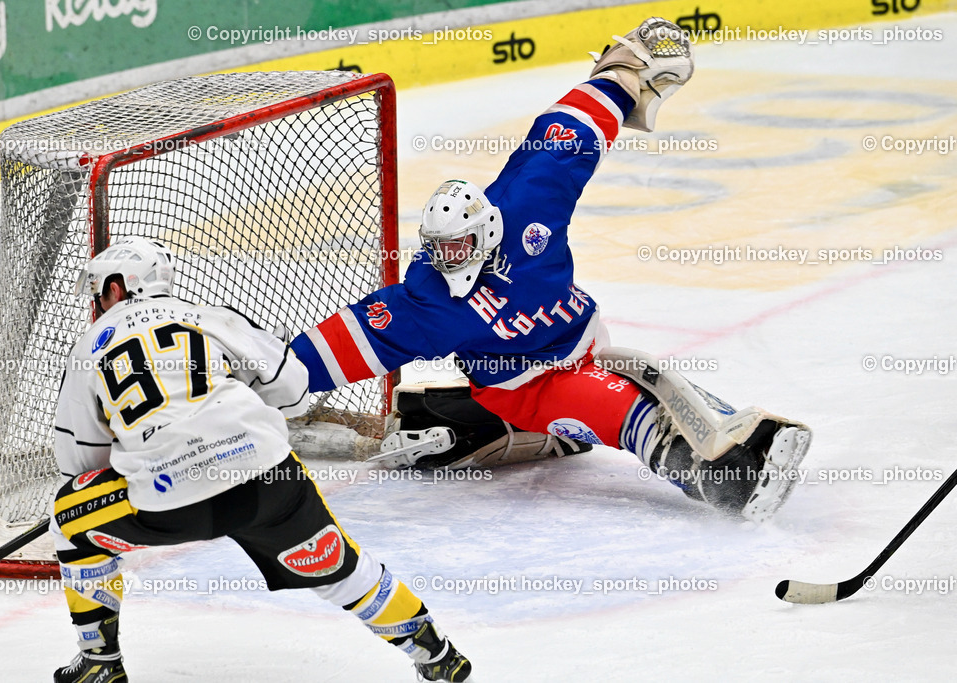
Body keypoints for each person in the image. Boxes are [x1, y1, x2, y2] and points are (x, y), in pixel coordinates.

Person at [290, 18, 809, 522]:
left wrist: (622, 76)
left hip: (582, 341)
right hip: (524, 386)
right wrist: (269, 375)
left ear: (488, 230)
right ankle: (730, 485)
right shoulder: (427, 300)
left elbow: (564, 141)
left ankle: (720, 434)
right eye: (438, 249)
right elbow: (347, 343)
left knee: (657, 385)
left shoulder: (524, 212)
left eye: (459, 247)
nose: (448, 260)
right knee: (631, 415)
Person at [50, 237, 471, 683]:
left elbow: (81, 463)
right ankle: (434, 650)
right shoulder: (211, 318)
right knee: (340, 568)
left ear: (117, 287)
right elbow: (294, 388)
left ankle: (100, 664)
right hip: (267, 477)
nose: (98, 302)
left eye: (98, 291)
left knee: (69, 517)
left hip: (171, 502)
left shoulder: (89, 347)